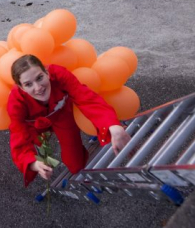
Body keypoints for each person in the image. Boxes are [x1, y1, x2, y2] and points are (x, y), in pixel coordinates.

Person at [7, 54, 131, 186]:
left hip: (61, 115)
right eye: (28, 84)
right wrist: (33, 163)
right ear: (21, 88)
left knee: (74, 163)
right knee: (37, 153)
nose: (38, 88)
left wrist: (112, 125)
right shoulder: (16, 102)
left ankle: (80, 172)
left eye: (39, 78)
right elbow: (18, 135)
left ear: (47, 73)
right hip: (35, 125)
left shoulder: (60, 74)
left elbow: (86, 98)